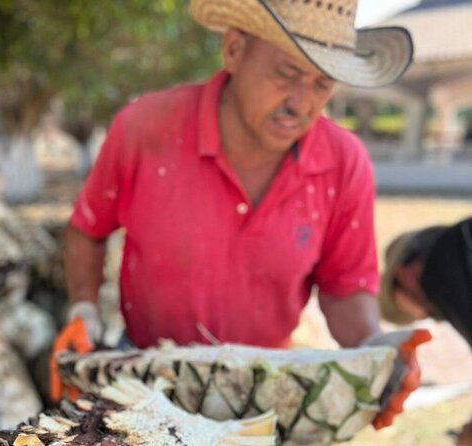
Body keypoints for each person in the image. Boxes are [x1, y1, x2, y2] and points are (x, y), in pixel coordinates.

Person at [52, 0, 425, 429]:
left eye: (323, 84)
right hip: (144, 380)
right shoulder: (145, 128)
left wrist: (375, 353)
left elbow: (344, 288)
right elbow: (88, 228)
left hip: (266, 392)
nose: (301, 103)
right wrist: (84, 309)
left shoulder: (344, 164)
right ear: (234, 50)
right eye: (287, 72)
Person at [379, 217, 472, 445]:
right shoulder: (461, 242)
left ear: (405, 274)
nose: (425, 316)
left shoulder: (442, 270)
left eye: (421, 314)